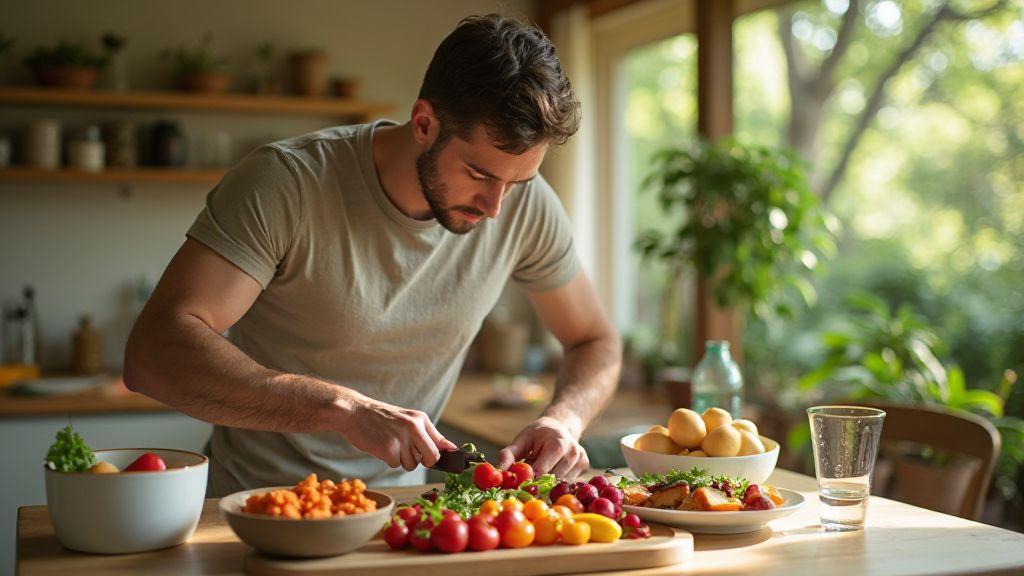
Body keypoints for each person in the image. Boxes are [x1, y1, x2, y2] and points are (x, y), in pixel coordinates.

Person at [124, 13, 621, 497]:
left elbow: (594, 339)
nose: (495, 208)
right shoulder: (288, 183)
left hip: (395, 518)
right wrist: (339, 408)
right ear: (424, 123)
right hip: (256, 509)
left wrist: (565, 418)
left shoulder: (524, 207)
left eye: (517, 182)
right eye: (479, 174)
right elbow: (153, 354)